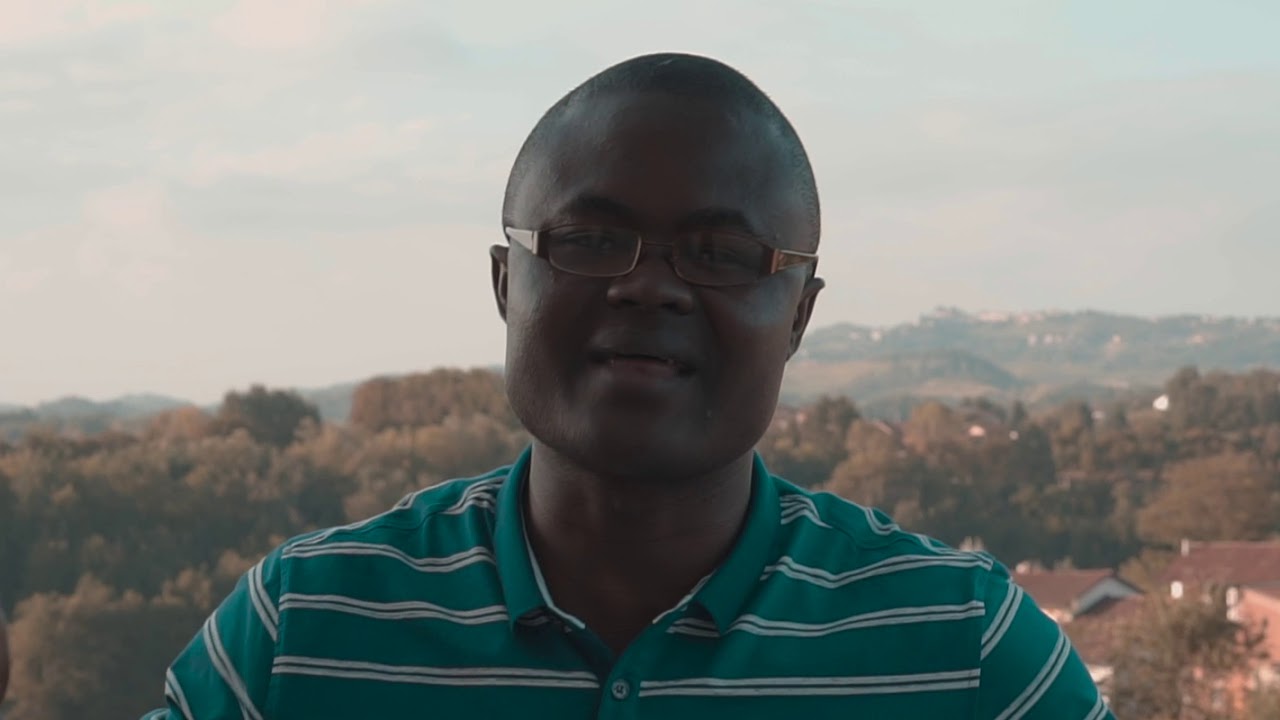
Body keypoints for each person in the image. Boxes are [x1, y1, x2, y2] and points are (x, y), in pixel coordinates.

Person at [143, 53, 1113, 719]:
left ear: (799, 316)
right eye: (591, 239)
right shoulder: (303, 631)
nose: (647, 286)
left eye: (720, 252)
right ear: (505, 284)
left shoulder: (962, 649)